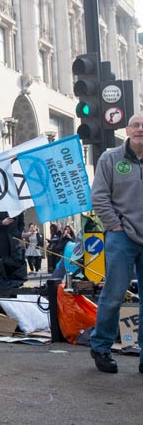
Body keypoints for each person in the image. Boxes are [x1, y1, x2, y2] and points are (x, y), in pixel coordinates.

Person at [89, 113, 143, 374]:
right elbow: (99, 196)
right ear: (127, 129)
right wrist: (116, 226)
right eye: (136, 124)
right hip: (122, 237)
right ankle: (101, 347)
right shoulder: (110, 158)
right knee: (113, 295)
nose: (140, 129)